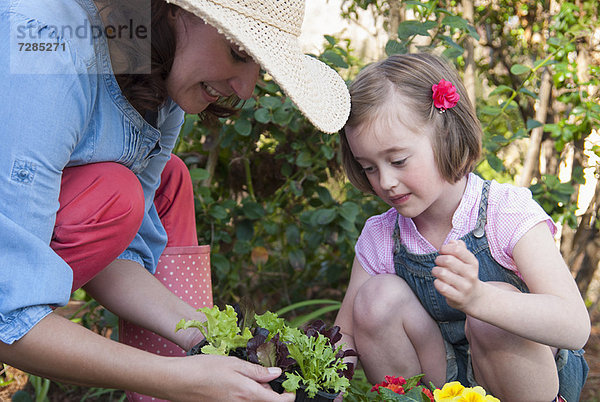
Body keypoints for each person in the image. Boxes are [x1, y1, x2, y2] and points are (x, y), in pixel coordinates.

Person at [0, 0, 350, 399]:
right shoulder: (45, 45)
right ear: (172, 10)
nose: (246, 89)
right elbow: (4, 310)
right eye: (238, 53)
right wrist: (178, 380)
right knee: (121, 190)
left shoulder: (160, 85)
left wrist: (205, 337)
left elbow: (116, 254)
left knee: (151, 184)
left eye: (259, 68)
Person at [334, 52, 589, 402]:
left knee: (491, 313)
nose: (386, 182)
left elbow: (575, 327)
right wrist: (313, 382)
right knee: (376, 300)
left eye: (397, 160)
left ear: (446, 134)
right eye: (368, 167)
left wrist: (480, 299)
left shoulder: (505, 211)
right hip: (442, 382)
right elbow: (343, 337)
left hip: (531, 382)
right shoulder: (381, 236)